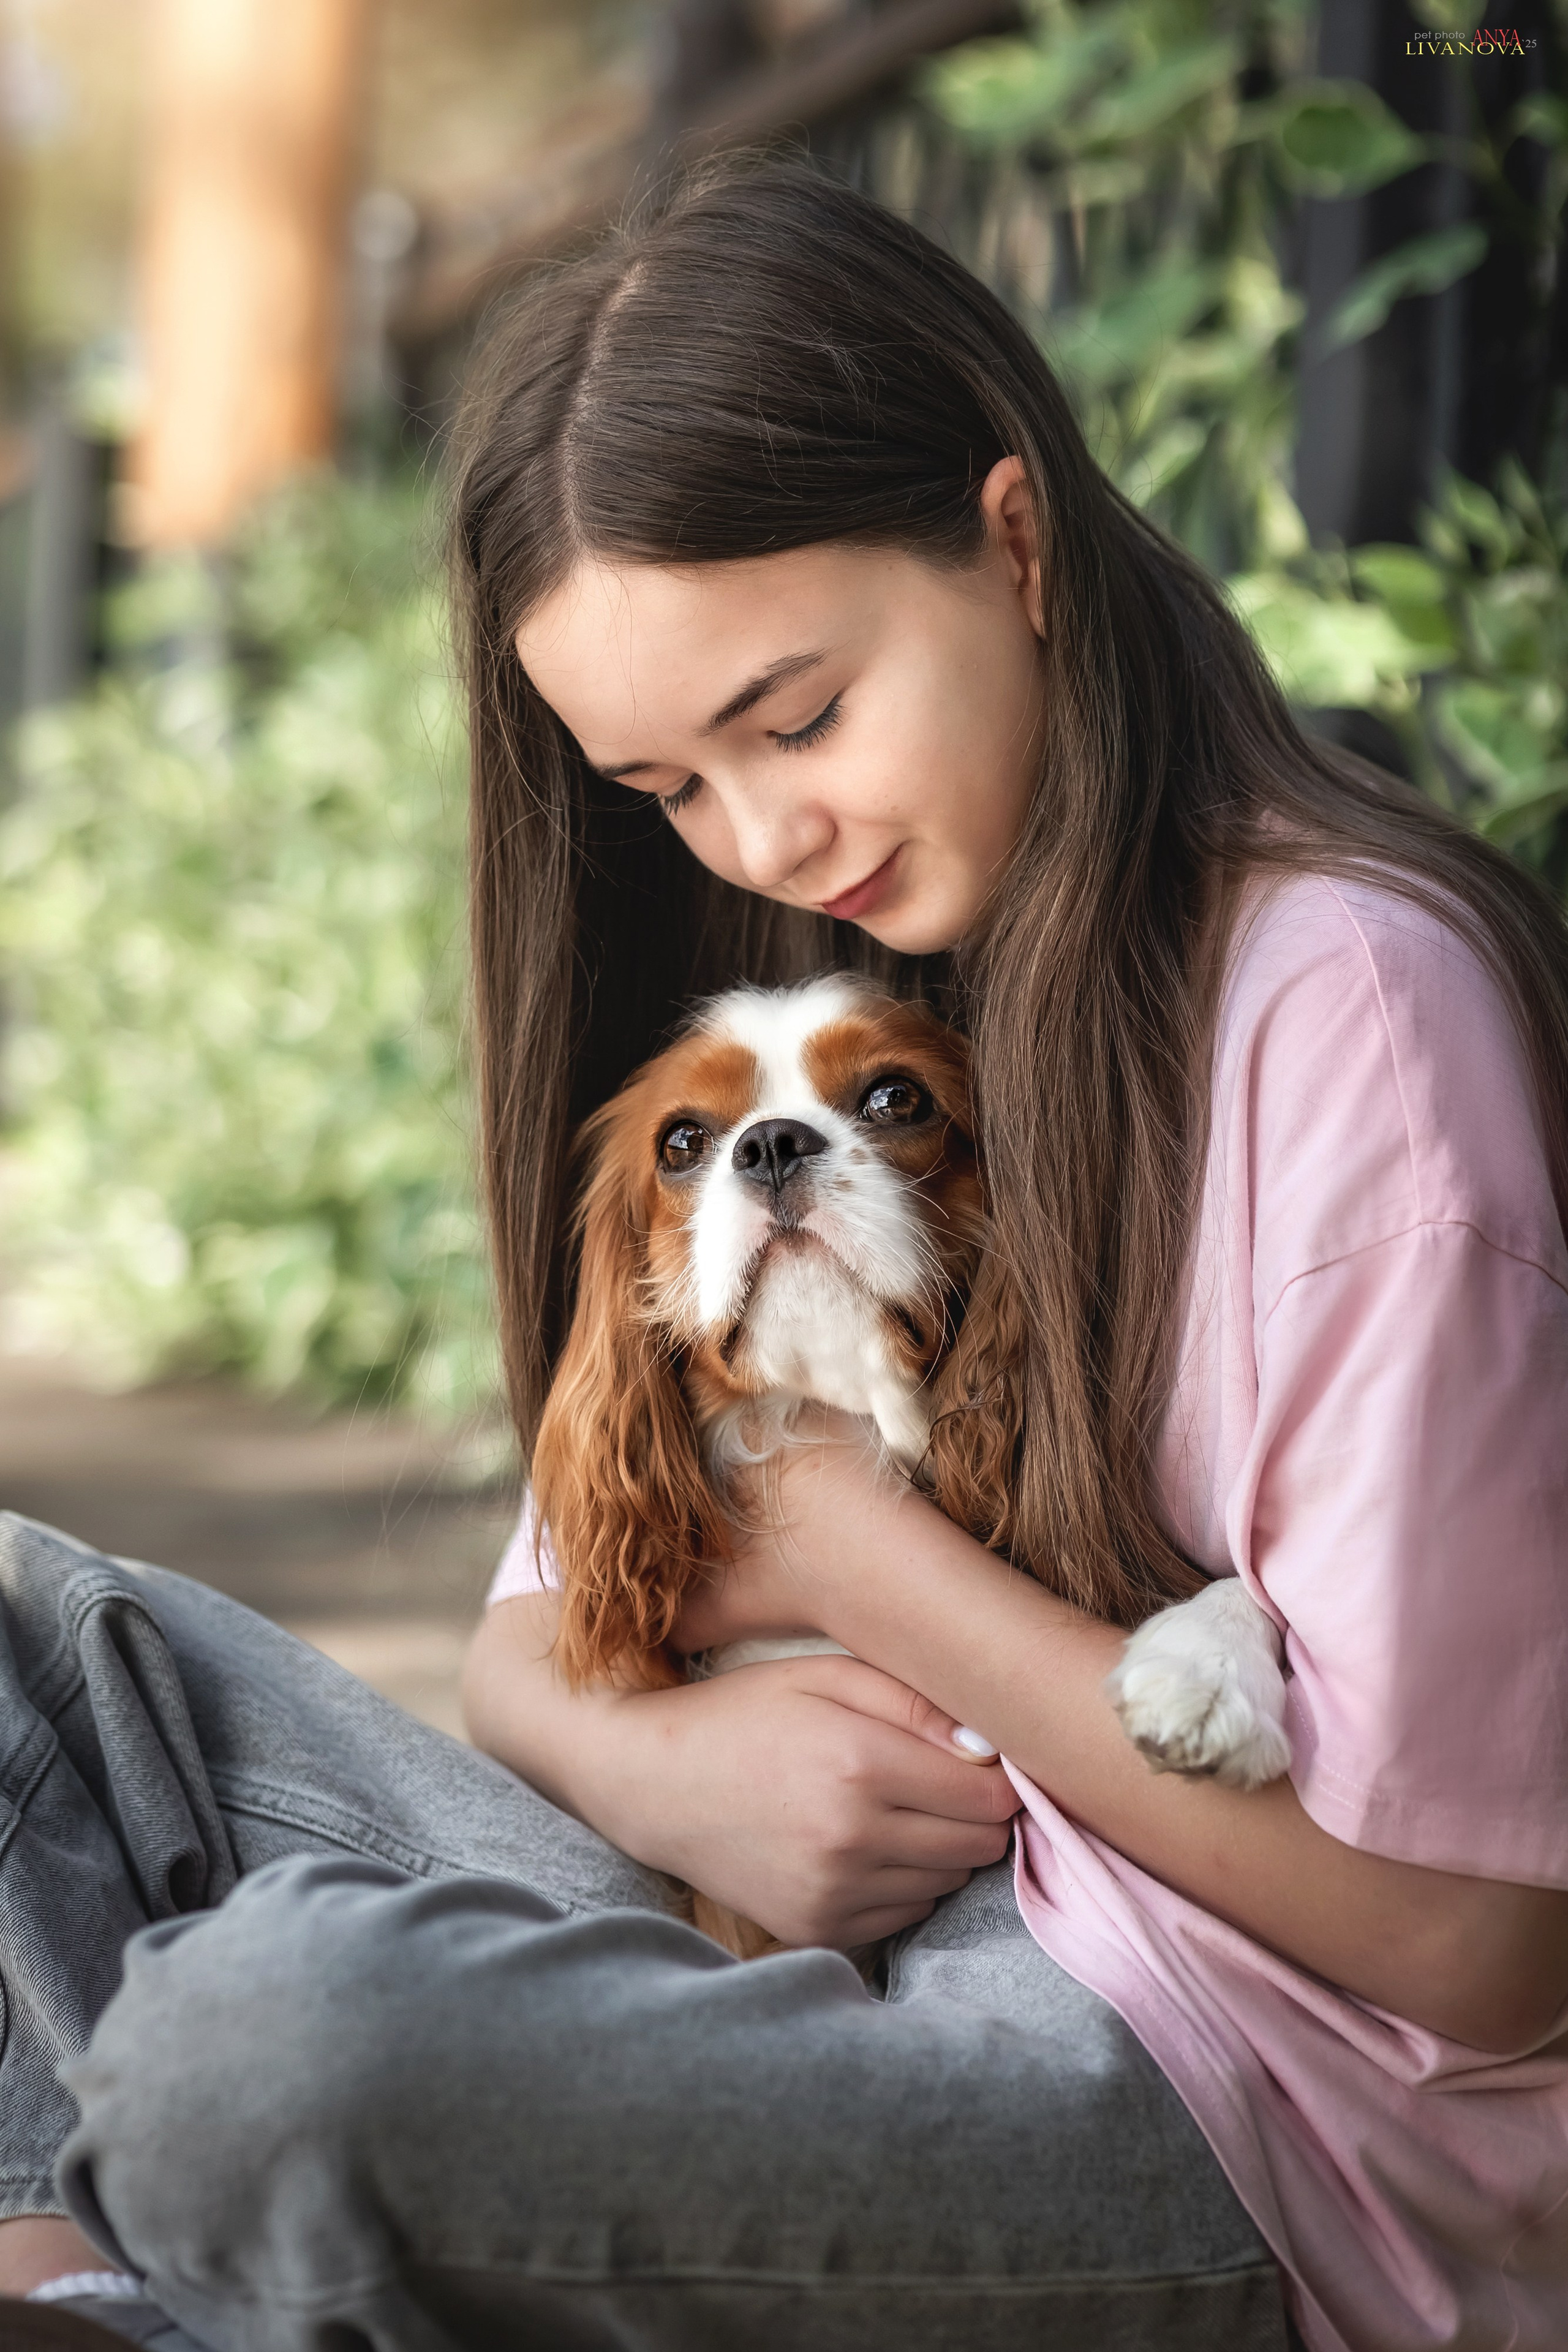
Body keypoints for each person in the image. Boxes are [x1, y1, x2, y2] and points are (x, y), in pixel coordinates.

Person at [2, 157, 1566, 2352]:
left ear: (1012, 543)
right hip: (778, 1922)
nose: (764, 840)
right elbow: (535, 1647)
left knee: (251, 2045)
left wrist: (845, 1555)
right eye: (667, 786)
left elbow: (1485, 1944)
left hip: (1230, 2110)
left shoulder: (1347, 1009)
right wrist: (668, 1767)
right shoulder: (854, 991)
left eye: (799, 718)